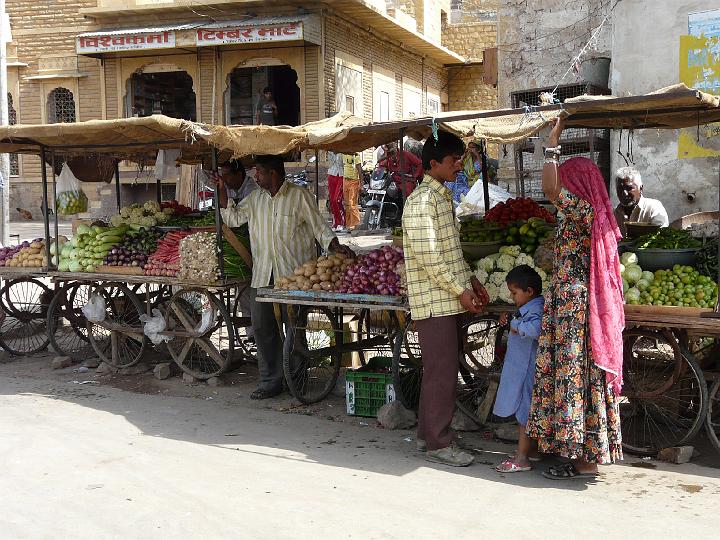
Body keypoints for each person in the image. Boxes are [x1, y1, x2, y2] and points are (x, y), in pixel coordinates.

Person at [526, 118, 624, 480]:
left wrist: (553, 145)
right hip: (576, 308)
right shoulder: (592, 216)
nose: (560, 191)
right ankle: (585, 455)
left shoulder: (581, 211)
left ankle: (583, 460)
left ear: (577, 186)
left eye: (568, 182)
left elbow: (550, 189)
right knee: (582, 381)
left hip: (573, 309)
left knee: (574, 380)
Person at [219, 155, 355, 400]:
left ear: (273, 173)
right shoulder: (255, 200)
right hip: (262, 275)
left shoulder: (299, 196)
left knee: (295, 329)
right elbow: (233, 218)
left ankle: (297, 380)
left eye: (258, 173)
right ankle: (270, 381)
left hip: (294, 276)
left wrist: (335, 246)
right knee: (262, 328)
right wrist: (221, 191)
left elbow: (319, 228)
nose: (255, 177)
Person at [403, 131, 485, 467]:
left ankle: (429, 435)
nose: (459, 168)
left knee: (439, 370)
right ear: (434, 163)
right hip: (434, 301)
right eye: (454, 162)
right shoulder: (422, 202)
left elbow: (450, 254)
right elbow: (431, 258)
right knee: (441, 372)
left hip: (446, 298)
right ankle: (439, 442)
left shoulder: (441, 198)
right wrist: (461, 289)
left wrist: (471, 280)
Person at [493, 265, 544, 473]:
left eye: (514, 293)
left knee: (525, 413)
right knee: (526, 411)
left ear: (529, 292)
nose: (512, 297)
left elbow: (536, 328)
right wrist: (510, 321)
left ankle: (521, 458)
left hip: (527, 371)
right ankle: (531, 451)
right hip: (521, 368)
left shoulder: (538, 309)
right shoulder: (528, 307)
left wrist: (517, 326)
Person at [212, 159, 259, 342]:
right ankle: (252, 334)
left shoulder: (253, 191)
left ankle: (257, 332)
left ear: (239, 174)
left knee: (251, 292)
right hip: (238, 243)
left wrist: (222, 190)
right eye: (222, 176)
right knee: (244, 294)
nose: (225, 179)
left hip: (251, 244)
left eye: (227, 176)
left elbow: (234, 219)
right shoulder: (230, 186)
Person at [613, 166, 669, 236]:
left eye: (629, 188)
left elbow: (660, 235)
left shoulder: (653, 208)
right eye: (620, 189)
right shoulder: (614, 214)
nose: (624, 193)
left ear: (641, 189)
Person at [342, 152, 362, 230]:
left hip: (354, 181)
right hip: (345, 180)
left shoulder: (356, 156)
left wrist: (361, 184)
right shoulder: (344, 154)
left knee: (352, 203)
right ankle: (349, 223)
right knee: (347, 204)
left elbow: (360, 171)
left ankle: (356, 223)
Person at [327, 151, 345, 231]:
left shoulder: (343, 152)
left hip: (341, 174)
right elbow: (330, 162)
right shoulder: (329, 151)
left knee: (336, 200)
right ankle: (335, 222)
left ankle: (341, 221)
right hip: (331, 173)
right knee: (331, 200)